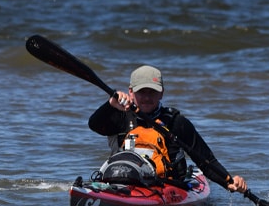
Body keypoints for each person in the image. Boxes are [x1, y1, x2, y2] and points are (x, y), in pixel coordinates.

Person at [88, 65, 248, 194]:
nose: (147, 97)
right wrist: (109, 106)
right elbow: (94, 125)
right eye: (141, 92)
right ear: (131, 92)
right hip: (122, 183)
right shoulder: (119, 116)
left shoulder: (176, 122)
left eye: (152, 92)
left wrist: (228, 182)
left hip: (167, 187)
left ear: (162, 93)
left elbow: (206, 160)